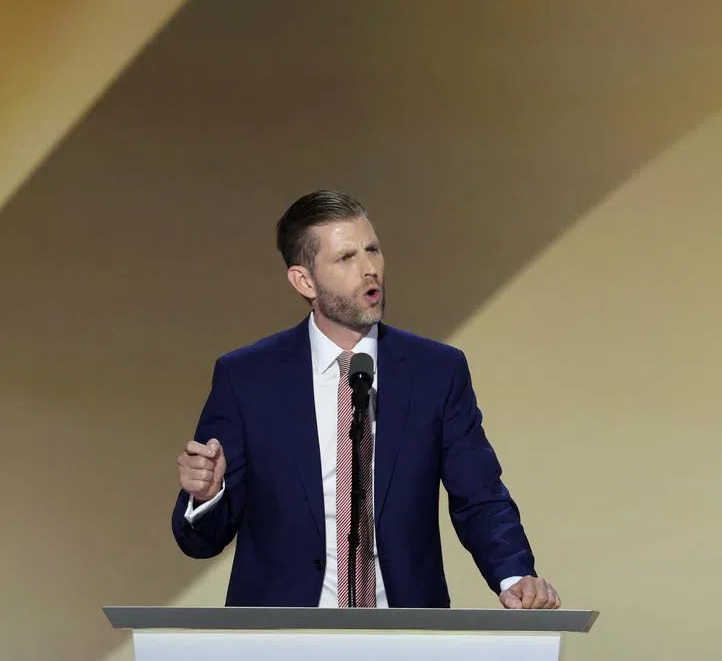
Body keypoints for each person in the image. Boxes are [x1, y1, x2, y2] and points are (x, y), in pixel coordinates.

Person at [171, 190, 560, 610]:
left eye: (372, 250)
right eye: (346, 258)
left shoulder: (435, 371)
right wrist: (206, 496)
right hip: (284, 633)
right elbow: (200, 541)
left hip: (402, 630)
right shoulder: (247, 378)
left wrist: (514, 576)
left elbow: (479, 494)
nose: (369, 269)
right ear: (304, 281)